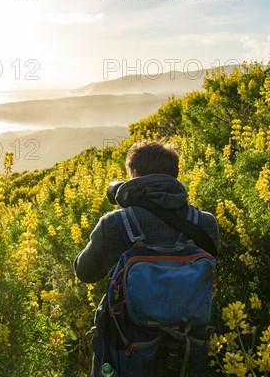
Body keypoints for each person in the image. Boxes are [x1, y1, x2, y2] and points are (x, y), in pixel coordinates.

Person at [74, 140, 220, 377]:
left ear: (135, 174)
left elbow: (84, 272)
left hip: (126, 348)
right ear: (174, 176)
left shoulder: (115, 224)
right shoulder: (204, 223)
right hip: (187, 348)